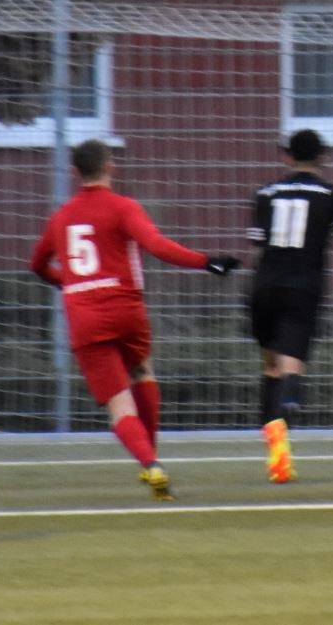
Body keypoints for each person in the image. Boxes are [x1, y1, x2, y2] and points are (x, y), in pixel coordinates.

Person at [29, 139, 239, 501]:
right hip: (126, 310)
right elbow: (156, 245)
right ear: (111, 166)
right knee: (142, 371)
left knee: (119, 405)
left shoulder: (60, 217)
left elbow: (36, 265)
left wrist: (69, 282)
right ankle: (151, 456)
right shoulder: (124, 207)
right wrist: (207, 262)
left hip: (84, 316)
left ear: (75, 173)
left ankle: (150, 463)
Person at [248, 129, 333, 483]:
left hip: (265, 284)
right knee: (291, 367)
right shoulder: (332, 195)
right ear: (322, 157)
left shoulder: (266, 193)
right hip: (304, 286)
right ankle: (288, 407)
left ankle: (276, 449)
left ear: (287, 157)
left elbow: (257, 243)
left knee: (270, 366)